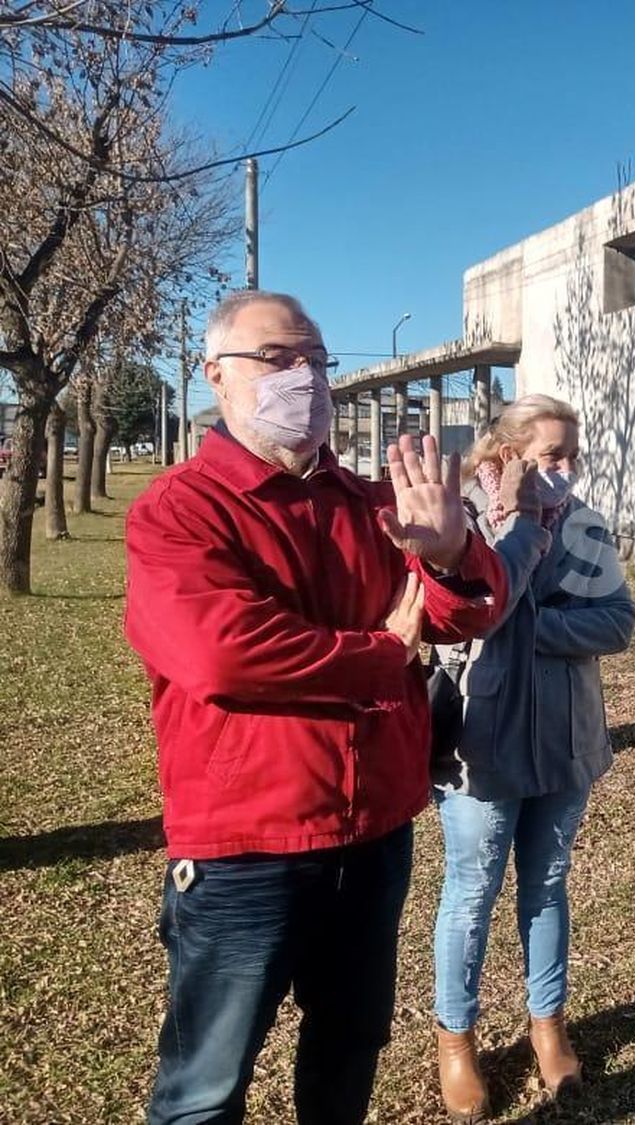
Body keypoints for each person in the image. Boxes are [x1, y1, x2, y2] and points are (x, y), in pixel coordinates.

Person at [124, 290, 513, 1124]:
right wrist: (380, 653)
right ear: (214, 375)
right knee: (205, 1083)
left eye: (318, 359)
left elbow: (471, 607)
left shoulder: (370, 504)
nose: (304, 377)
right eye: (279, 358)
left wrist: (450, 554)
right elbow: (221, 652)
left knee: (349, 1043)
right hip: (244, 844)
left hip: (372, 832)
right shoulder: (182, 509)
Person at [428, 394, 635, 1120]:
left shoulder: (583, 525)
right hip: (478, 748)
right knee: (472, 892)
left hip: (567, 741)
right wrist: (510, 602)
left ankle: (547, 1023)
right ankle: (457, 1040)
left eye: (572, 456)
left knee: (547, 883)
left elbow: (617, 620)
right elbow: (457, 615)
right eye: (551, 456)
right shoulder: (459, 522)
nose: (565, 470)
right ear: (507, 453)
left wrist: (532, 626)